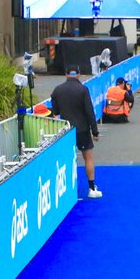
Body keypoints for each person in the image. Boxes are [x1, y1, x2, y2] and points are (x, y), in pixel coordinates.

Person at [49, 67, 102, 198]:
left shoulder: (57, 90)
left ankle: (66, 191)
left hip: (66, 130)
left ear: (66, 74)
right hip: (83, 129)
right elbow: (89, 112)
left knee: (66, 159)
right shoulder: (83, 90)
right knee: (88, 158)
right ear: (78, 74)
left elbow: (55, 112)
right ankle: (91, 188)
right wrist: (95, 131)